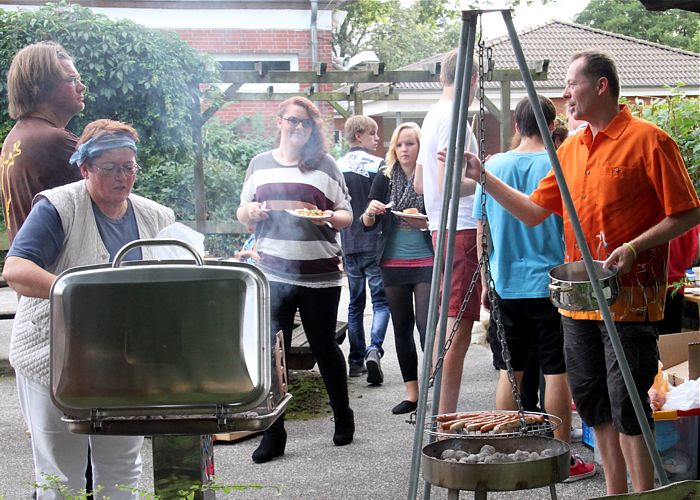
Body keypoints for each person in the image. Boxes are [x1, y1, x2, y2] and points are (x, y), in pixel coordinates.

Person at [461, 50, 700, 495]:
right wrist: (484, 179)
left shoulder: (650, 140)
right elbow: (534, 211)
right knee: (593, 406)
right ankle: (614, 491)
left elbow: (686, 214)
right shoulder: (569, 148)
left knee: (628, 405)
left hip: (630, 300)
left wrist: (634, 247)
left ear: (602, 85)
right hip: (579, 303)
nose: (566, 93)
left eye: (573, 84)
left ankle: (641, 493)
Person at [2, 119, 176, 499]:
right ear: (85, 168)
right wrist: (75, 292)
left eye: (128, 167)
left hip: (123, 363)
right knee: (61, 476)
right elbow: (15, 270)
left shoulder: (156, 217)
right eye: (110, 168)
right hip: (52, 359)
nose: (122, 177)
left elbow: (174, 280)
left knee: (121, 469)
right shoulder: (58, 207)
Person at [473, 95, 595, 482]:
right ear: (552, 122)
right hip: (553, 283)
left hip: (505, 282)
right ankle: (561, 460)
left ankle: (503, 454)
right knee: (556, 370)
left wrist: (484, 278)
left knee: (511, 371)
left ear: (516, 123)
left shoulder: (493, 166)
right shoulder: (562, 164)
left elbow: (482, 228)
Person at [237, 96, 354, 464]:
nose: (299, 129)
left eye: (306, 124)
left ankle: (343, 415)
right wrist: (252, 211)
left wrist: (328, 218)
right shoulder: (259, 165)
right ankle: (275, 432)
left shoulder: (325, 165)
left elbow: (346, 214)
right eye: (293, 121)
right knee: (275, 351)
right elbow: (243, 211)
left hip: (320, 272)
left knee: (324, 346)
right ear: (280, 122)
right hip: (273, 271)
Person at [414, 48, 480, 415]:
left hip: (442, 230)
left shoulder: (431, 114)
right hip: (462, 231)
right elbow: (448, 183)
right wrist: (484, 176)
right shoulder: (454, 117)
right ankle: (444, 416)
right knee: (459, 327)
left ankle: (439, 411)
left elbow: (422, 184)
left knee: (448, 322)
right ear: (471, 79)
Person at [361, 122, 433, 414]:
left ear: (420, 146)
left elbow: (441, 216)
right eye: (400, 144)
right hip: (392, 261)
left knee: (427, 327)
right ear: (394, 148)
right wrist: (369, 212)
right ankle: (412, 394)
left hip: (426, 259)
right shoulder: (384, 177)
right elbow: (367, 224)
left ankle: (435, 385)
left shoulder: (429, 175)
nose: (404, 149)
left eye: (410, 144)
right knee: (401, 327)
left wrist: (425, 221)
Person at [1, 41, 85, 245]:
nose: (82, 87)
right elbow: (112, 205)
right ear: (40, 88)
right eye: (72, 80)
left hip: (29, 268)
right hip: (54, 273)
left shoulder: (16, 138)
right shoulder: (54, 141)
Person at [337, 115, 390, 384]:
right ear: (358, 135)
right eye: (372, 133)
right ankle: (374, 349)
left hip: (348, 244)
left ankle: (355, 361)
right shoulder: (379, 166)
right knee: (381, 302)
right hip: (375, 242)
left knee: (355, 304)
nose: (377, 139)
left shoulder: (336, 167)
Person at [656, 226, 700, 334]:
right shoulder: (689, 217)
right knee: (670, 338)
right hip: (675, 285)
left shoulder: (654, 215)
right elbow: (696, 254)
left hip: (650, 286)